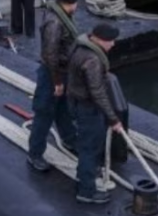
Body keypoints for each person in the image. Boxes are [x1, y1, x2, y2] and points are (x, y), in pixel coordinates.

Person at [67, 22, 122, 205]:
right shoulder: (93, 60)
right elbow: (97, 92)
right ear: (98, 39)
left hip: (76, 102)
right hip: (88, 109)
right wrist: (113, 119)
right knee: (90, 149)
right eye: (110, 40)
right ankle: (86, 192)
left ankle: (82, 176)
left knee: (85, 145)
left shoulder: (79, 47)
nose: (113, 44)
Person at [27, 0, 80, 173]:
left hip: (64, 72)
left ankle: (69, 139)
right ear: (72, 3)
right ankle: (34, 154)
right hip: (52, 74)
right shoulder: (55, 23)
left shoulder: (63, 16)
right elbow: (50, 55)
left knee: (63, 109)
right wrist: (57, 81)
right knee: (44, 112)